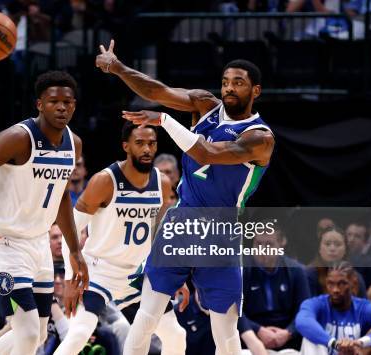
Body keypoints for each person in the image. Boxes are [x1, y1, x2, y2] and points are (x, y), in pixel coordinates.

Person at [96, 41, 275, 355]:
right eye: (225, 82)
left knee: (227, 335)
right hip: (182, 222)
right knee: (147, 317)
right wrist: (117, 66)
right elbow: (157, 91)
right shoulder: (205, 105)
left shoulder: (259, 137)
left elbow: (206, 152)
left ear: (255, 91)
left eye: (239, 83)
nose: (229, 88)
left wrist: (164, 121)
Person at [0, 70, 89, 355]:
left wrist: (74, 251)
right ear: (39, 104)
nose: (62, 107)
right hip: (2, 243)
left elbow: (61, 195)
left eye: (68, 102)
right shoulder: (18, 138)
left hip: (38, 242)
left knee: (37, 335)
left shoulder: (73, 144)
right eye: (54, 101)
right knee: (25, 333)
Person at [54, 121, 186, 355]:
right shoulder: (105, 181)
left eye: (151, 144)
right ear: (126, 146)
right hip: (99, 271)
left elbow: (160, 237)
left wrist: (174, 275)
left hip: (138, 273)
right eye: (140, 143)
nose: (147, 149)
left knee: (176, 334)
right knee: (79, 333)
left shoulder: (163, 184)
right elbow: (71, 230)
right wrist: (70, 277)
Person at [295, 261, 371, 355]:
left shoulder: (365, 308)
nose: (335, 290)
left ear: (353, 284)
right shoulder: (316, 304)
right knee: (309, 338)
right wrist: (335, 344)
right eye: (330, 284)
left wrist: (360, 343)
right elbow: (302, 322)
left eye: (342, 284)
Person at [240, 228, 310, 352]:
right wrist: (258, 330)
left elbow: (304, 310)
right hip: (250, 339)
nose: (262, 249)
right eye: (258, 244)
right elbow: (234, 310)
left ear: (281, 244)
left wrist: (289, 332)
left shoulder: (296, 270)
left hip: (288, 339)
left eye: (269, 244)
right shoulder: (241, 270)